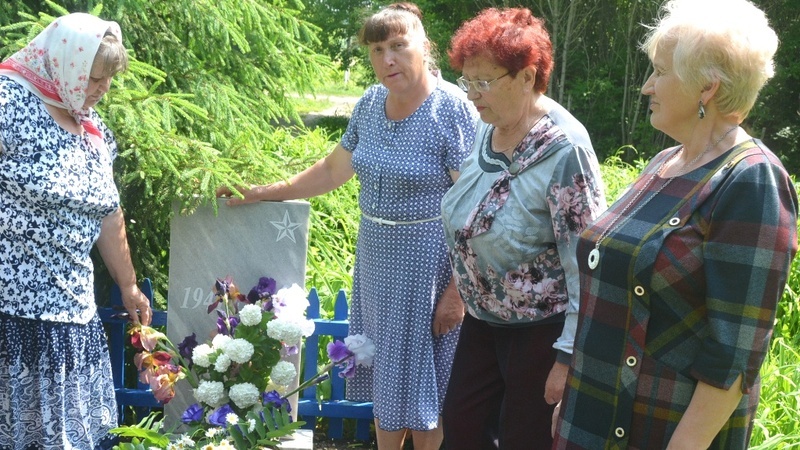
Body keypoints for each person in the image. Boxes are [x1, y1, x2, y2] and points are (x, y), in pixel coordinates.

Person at [217, 3, 478, 448]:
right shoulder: (371, 104)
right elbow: (332, 170)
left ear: (424, 46)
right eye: (377, 50)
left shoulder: (451, 109)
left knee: (422, 391)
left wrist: (458, 292)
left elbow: (474, 206)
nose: (387, 59)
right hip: (376, 264)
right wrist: (262, 191)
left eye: (398, 46)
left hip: (428, 268)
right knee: (386, 382)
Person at [552, 0, 798, 448]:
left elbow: (733, 357)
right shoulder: (664, 163)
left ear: (707, 86)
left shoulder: (751, 180)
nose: (647, 85)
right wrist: (574, 401)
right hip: (591, 418)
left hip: (657, 431)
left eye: (660, 71)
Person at [440, 7, 606, 449]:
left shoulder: (564, 152)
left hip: (541, 333)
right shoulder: (489, 125)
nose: (472, 95)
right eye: (467, 81)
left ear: (528, 76)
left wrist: (567, 357)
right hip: (483, 321)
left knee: (524, 439)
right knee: (461, 427)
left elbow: (586, 263)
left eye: (483, 82)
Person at [0, 13, 152, 450]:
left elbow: (108, 211)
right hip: (12, 314)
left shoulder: (91, 127)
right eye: (94, 77)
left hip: (72, 316)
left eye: (109, 79)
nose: (103, 88)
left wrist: (128, 284)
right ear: (66, 62)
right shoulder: (8, 103)